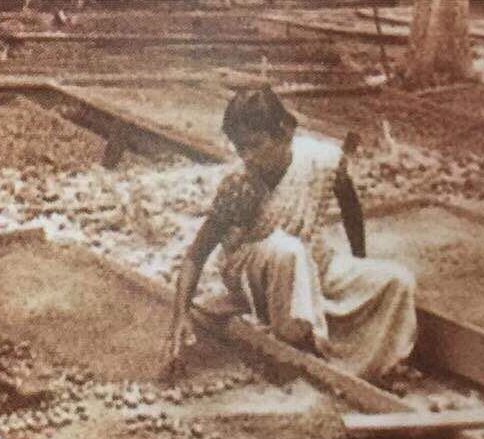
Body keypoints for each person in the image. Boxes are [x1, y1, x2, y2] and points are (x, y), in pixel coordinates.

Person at [169, 87, 417, 381]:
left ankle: (367, 364)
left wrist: (358, 259)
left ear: (284, 133)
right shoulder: (240, 184)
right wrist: (181, 315)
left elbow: (350, 204)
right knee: (287, 250)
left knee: (397, 281)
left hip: (310, 259)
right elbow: (196, 255)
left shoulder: (320, 160)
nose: (247, 156)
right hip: (256, 271)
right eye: (240, 148)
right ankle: (301, 341)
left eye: (256, 145)